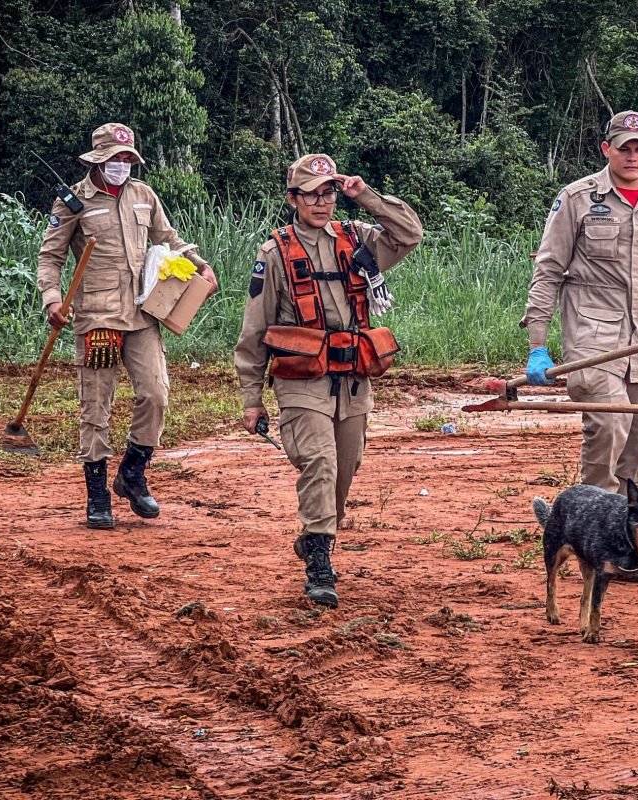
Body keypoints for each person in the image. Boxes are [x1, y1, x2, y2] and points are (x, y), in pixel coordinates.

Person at [235, 154, 422, 608]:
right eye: (311, 194)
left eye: (329, 192)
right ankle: (319, 558)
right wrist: (251, 397)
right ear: (293, 199)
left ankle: (316, 533)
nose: (322, 202)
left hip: (353, 377)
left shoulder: (356, 239)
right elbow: (255, 329)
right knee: (318, 461)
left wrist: (367, 197)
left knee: (345, 467)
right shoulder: (275, 253)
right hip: (302, 379)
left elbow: (410, 234)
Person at [521, 110, 638, 493]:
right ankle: (591, 515)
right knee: (610, 425)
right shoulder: (577, 199)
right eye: (623, 148)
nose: (631, 156)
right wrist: (538, 346)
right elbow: (547, 272)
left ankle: (628, 539)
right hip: (594, 341)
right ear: (606, 149)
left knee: (637, 446)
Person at [38, 122, 218, 530]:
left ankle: (133, 474)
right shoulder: (74, 202)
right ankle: (97, 494)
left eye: (126, 158)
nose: (121, 165)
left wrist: (200, 262)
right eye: (114, 159)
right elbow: (50, 257)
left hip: (142, 314)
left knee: (155, 394)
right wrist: (52, 299)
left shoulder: (143, 195)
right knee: (96, 406)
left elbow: (168, 238)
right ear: (97, 160)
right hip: (97, 317)